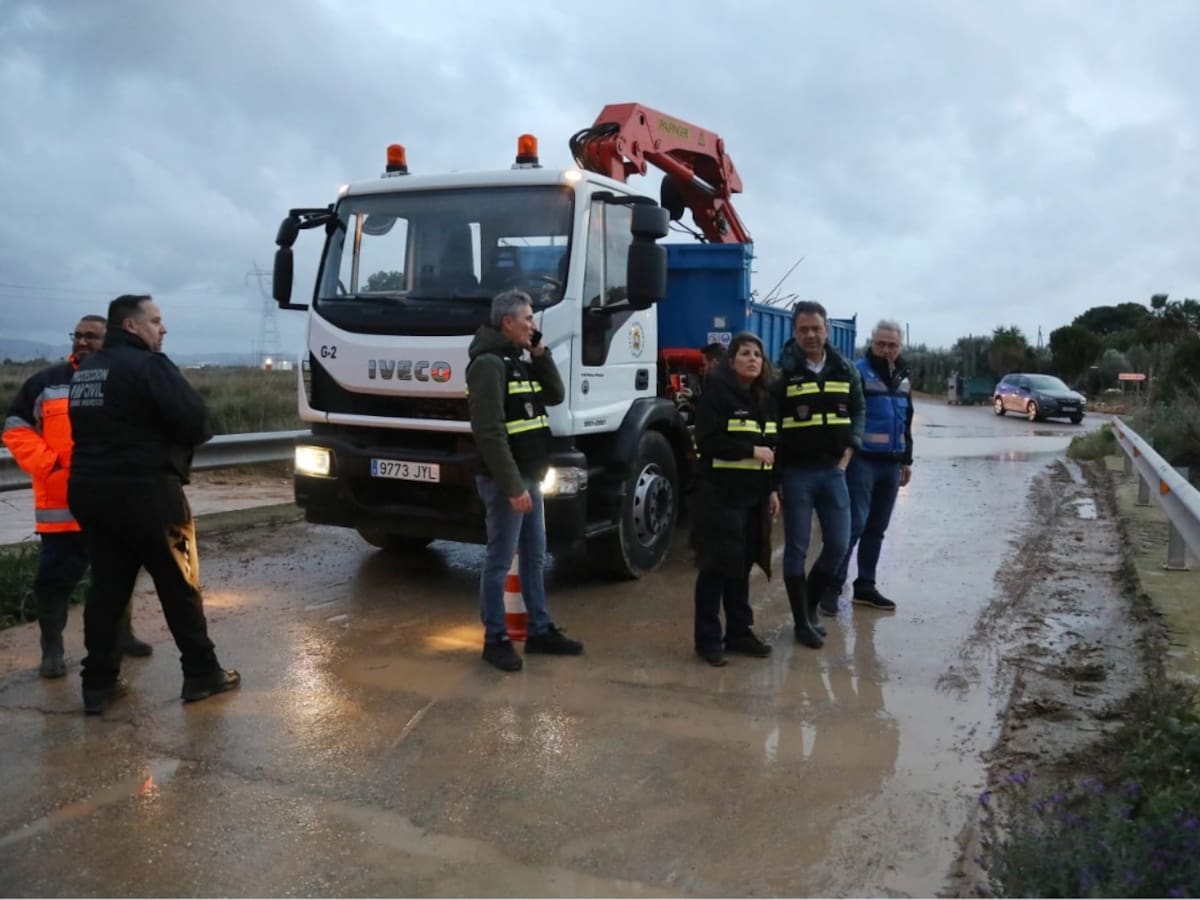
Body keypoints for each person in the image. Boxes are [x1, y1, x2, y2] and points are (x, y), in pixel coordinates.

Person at [67, 294, 240, 714]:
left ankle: (99, 685)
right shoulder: (148, 366)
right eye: (156, 321)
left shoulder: (87, 371)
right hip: (148, 494)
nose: (162, 329)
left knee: (107, 588)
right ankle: (201, 674)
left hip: (90, 492)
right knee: (180, 585)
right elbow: (198, 422)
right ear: (130, 326)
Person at [2, 315, 152, 678]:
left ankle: (122, 635)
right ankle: (51, 648)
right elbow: (16, 428)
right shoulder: (46, 382)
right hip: (61, 507)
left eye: (92, 336)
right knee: (53, 580)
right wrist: (51, 467)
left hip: (115, 504)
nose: (82, 342)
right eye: (78, 335)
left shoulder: (124, 379)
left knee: (118, 575)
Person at [467, 289, 583, 671]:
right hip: (509, 481)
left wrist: (540, 354)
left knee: (535, 556)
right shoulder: (488, 365)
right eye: (528, 319)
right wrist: (512, 485)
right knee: (500, 560)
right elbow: (489, 433)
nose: (533, 325)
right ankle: (495, 638)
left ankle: (540, 630)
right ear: (507, 322)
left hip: (531, 475)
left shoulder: (518, 360)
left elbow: (554, 394)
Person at [775, 301, 864, 648]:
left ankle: (809, 609)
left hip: (833, 472)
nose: (811, 335)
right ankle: (801, 623)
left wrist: (850, 450)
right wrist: (777, 476)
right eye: (803, 329)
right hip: (797, 474)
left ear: (827, 330)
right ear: (795, 333)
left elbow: (859, 409)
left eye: (816, 328)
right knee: (796, 548)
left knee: (839, 544)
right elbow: (772, 423)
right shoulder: (782, 373)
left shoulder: (845, 370)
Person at [689, 332, 779, 666]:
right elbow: (707, 440)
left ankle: (740, 632)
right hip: (720, 495)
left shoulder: (765, 399)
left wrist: (771, 490)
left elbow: (772, 449)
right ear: (732, 360)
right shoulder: (716, 394)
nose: (753, 359)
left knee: (741, 568)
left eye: (757, 354)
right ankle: (708, 640)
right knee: (715, 568)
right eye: (745, 353)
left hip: (753, 496)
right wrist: (749, 449)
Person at [827, 319, 913, 613]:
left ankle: (865, 586)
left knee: (877, 529)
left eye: (893, 345)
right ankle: (832, 587)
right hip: (862, 461)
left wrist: (906, 459)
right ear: (872, 343)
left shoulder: (903, 376)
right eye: (881, 344)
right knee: (854, 526)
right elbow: (845, 416)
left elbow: (906, 420)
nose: (887, 350)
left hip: (891, 464)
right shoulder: (857, 372)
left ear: (900, 347)